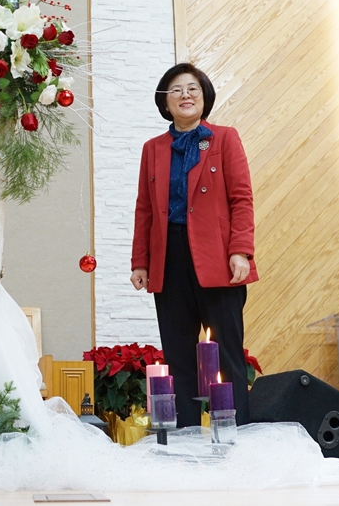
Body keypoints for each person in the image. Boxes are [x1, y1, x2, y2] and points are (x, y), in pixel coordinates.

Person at [131, 62, 258, 427]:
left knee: (226, 353)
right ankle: (186, 434)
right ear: (165, 102)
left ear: (204, 97)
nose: (184, 95)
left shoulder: (224, 138)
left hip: (217, 257)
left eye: (192, 89)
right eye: (176, 90)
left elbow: (241, 199)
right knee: (179, 354)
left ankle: (235, 433)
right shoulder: (153, 149)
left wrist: (240, 251)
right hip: (169, 258)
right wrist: (140, 261)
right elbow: (144, 208)